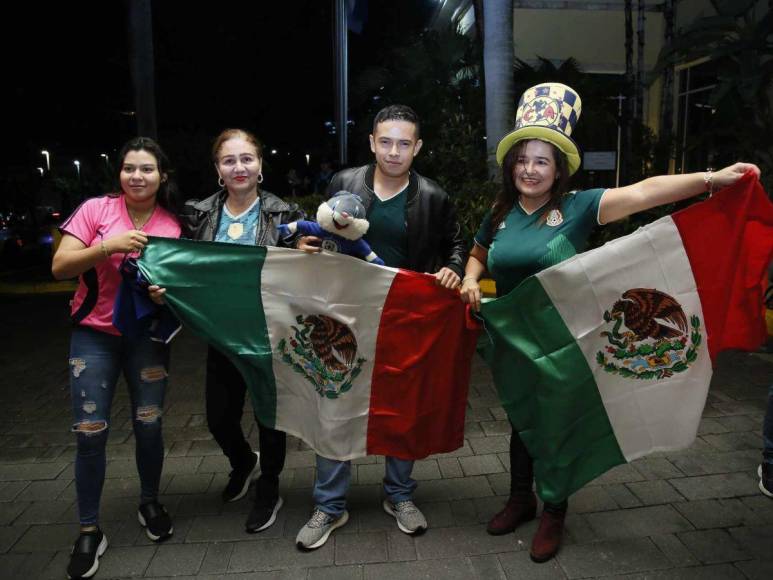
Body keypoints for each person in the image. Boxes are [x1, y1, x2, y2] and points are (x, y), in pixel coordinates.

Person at [459, 82, 761, 563]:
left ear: (557, 169)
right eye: (522, 160)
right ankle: (521, 499)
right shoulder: (500, 212)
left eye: (541, 161)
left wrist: (712, 179)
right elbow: (478, 253)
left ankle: (554, 511)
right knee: (521, 420)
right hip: (512, 339)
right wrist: (472, 280)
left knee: (557, 423)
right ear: (510, 165)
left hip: (564, 340)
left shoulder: (577, 207)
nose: (529, 169)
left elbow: (643, 193)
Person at [294, 104, 467, 550]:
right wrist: (307, 242)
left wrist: (451, 267)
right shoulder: (344, 183)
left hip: (405, 318)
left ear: (418, 147)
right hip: (343, 312)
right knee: (336, 400)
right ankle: (330, 505)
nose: (394, 151)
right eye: (385, 141)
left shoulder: (433, 195)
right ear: (372, 142)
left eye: (404, 143)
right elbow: (322, 230)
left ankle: (399, 496)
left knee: (403, 405)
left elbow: (456, 242)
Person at [52, 137, 181, 580]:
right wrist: (109, 246)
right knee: (90, 432)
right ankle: (89, 528)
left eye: (147, 169)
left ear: (161, 176)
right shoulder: (96, 211)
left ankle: (150, 501)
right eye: (129, 168)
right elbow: (60, 266)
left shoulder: (171, 226)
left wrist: (164, 297)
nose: (137, 176)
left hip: (146, 338)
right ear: (120, 173)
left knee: (149, 423)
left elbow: (172, 290)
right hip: (93, 337)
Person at [173, 128, 304, 533]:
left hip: (269, 333)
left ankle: (270, 487)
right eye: (229, 160)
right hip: (221, 335)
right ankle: (244, 461)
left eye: (247, 158)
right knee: (219, 418)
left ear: (260, 165)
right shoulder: (197, 213)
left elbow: (309, 267)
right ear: (218, 169)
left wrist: (310, 254)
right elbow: (180, 263)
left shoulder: (285, 213)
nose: (239, 167)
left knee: (270, 415)